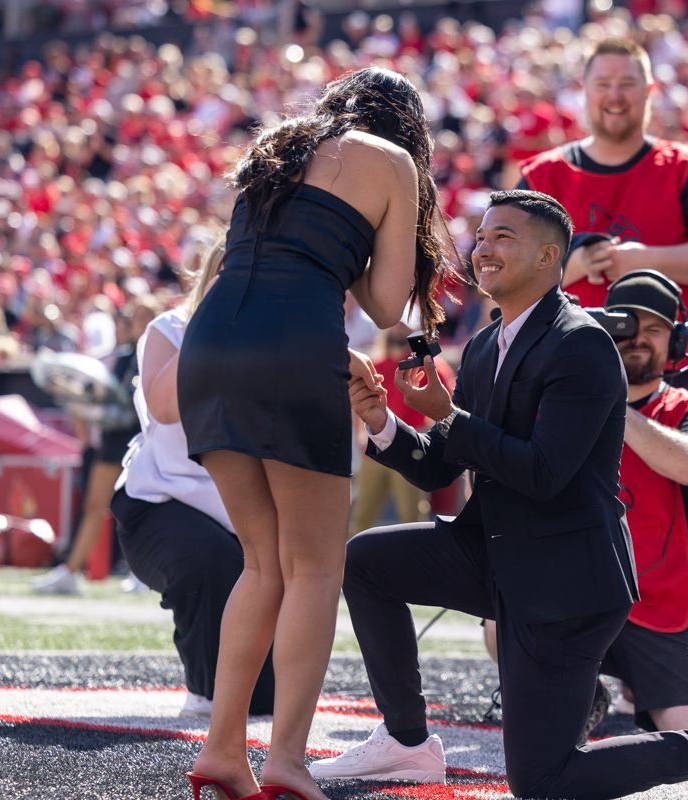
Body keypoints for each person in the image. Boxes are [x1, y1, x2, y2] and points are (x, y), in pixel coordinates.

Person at [309, 190, 688, 800]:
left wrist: (450, 416)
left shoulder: (583, 343)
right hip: (501, 553)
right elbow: (445, 463)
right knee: (367, 561)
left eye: (503, 237)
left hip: (566, 581)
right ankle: (406, 741)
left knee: (543, 783)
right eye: (482, 236)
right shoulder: (486, 343)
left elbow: (543, 473)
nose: (483, 249)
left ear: (549, 257)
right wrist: (383, 422)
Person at [176, 66, 456, 800]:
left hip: (209, 346)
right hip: (294, 349)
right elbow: (388, 305)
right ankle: (287, 760)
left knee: (260, 563)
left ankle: (223, 749)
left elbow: (274, 260)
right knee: (314, 569)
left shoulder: (279, 143)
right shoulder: (391, 162)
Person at [519, 38, 688, 393]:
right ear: (584, 91)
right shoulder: (542, 176)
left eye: (627, 84)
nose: (615, 96)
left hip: (671, 374)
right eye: (603, 84)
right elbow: (507, 276)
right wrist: (576, 265)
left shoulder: (685, 167)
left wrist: (641, 261)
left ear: (649, 90)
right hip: (566, 371)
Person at [112, 235, 275, 719]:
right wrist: (214, 323)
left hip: (244, 508)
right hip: (160, 503)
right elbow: (165, 406)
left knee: (265, 699)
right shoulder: (172, 329)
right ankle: (205, 688)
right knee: (209, 559)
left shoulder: (273, 343)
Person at [597, 269, 688, 731]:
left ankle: (630, 686)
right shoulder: (563, 401)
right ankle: (588, 690)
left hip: (664, 605)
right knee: (501, 616)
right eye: (626, 324)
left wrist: (612, 404)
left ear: (676, 341)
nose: (638, 338)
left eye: (654, 328)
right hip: (574, 598)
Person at [32, 296, 160, 596]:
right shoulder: (124, 355)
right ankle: (71, 571)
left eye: (142, 316)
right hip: (116, 439)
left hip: (145, 439)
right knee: (95, 505)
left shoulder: (156, 352)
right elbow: (110, 399)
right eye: (132, 317)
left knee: (144, 507)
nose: (133, 323)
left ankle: (145, 574)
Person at [349, 321, 455, 535]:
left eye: (405, 324)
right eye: (396, 324)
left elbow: (449, 405)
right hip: (375, 450)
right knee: (361, 519)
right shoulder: (376, 364)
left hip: (412, 448)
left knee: (412, 519)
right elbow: (358, 401)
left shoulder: (431, 366)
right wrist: (360, 433)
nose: (399, 328)